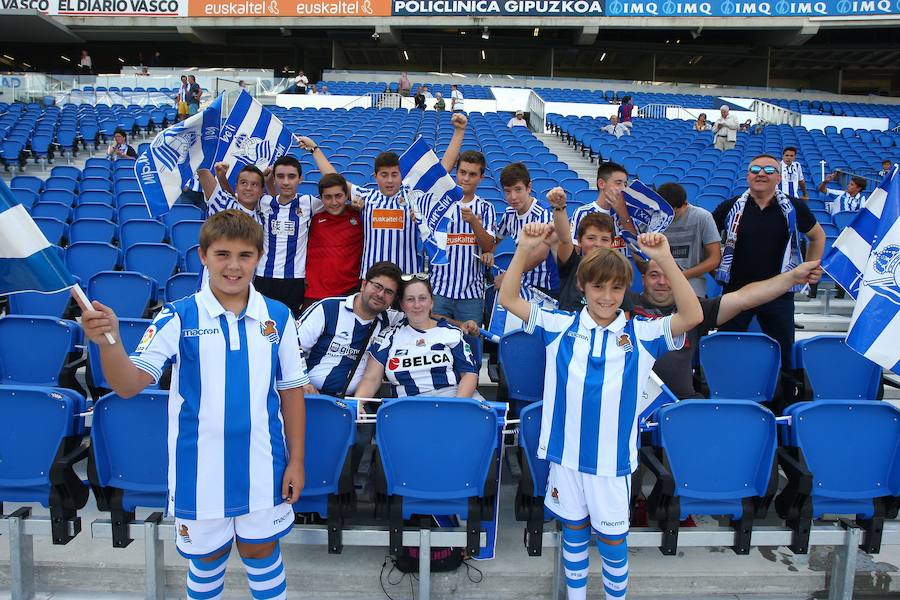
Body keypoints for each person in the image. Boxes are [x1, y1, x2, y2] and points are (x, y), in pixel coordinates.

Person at [81, 210, 308, 600]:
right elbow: (128, 385)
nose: (233, 266)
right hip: (198, 470)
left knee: (262, 551)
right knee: (207, 561)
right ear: (203, 255)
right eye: (222, 254)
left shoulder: (279, 317)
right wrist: (109, 343)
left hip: (264, 464)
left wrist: (297, 461)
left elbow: (291, 391)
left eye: (244, 255)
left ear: (258, 258)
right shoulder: (177, 315)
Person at [500, 224, 702, 600]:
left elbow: (691, 315)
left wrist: (663, 260)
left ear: (625, 290)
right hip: (565, 458)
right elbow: (509, 298)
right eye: (598, 287)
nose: (607, 296)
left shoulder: (642, 332)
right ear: (583, 287)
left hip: (611, 465)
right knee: (573, 537)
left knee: (612, 546)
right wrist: (524, 249)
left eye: (616, 288)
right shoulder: (558, 325)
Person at [632, 257, 823, 399]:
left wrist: (791, 277)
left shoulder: (696, 310)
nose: (662, 282)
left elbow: (744, 298)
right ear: (643, 279)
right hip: (633, 401)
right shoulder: (626, 305)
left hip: (681, 404)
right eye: (654, 275)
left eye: (668, 276)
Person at [712, 153, 826, 373]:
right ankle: (723, 396)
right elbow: (706, 237)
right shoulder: (730, 207)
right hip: (736, 291)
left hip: (779, 294)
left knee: (783, 354)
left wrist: (812, 267)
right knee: (725, 347)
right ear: (747, 177)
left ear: (779, 178)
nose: (761, 174)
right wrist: (715, 267)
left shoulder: (794, 207)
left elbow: (818, 236)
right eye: (755, 170)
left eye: (769, 170)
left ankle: (781, 401)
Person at [347, 114, 468, 276]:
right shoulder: (366, 197)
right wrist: (315, 150)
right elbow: (335, 182)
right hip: (371, 279)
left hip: (406, 279)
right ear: (375, 176)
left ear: (402, 175)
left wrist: (459, 132)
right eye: (384, 175)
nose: (389, 180)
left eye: (394, 174)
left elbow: (443, 169)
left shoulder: (414, 197)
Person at [355, 274, 479, 399]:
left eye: (422, 298)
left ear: (431, 302)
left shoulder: (451, 333)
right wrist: (358, 403)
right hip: (407, 407)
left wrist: (457, 406)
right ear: (402, 305)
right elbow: (371, 378)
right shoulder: (388, 337)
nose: (417, 305)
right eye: (410, 299)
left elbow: (469, 374)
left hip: (453, 400)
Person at [298, 261, 404, 397]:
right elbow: (293, 348)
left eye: (389, 292)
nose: (380, 294)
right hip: (310, 396)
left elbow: (419, 312)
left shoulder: (391, 320)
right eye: (377, 286)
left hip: (350, 403)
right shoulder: (328, 308)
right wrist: (302, 382)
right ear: (364, 284)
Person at [430, 149, 496, 332]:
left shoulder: (485, 208)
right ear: (456, 173)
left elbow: (489, 246)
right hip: (439, 290)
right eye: (462, 172)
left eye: (472, 174)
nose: (466, 178)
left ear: (481, 177)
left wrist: (474, 222)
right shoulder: (439, 204)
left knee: (470, 347)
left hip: (471, 295)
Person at [254, 148, 325, 318]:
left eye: (291, 176)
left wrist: (355, 206)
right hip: (264, 275)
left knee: (289, 323)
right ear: (274, 178)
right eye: (280, 176)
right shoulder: (263, 202)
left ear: (300, 179)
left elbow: (337, 202)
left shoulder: (309, 202)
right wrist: (265, 177)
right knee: (263, 323)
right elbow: (236, 197)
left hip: (294, 279)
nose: (286, 182)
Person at [543, 188, 622, 313]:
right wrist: (559, 208)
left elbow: (624, 317)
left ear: (612, 244)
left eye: (605, 239)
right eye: (591, 238)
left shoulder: (618, 272)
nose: (598, 244)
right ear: (579, 240)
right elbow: (564, 239)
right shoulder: (572, 264)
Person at [494, 163, 558, 293]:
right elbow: (495, 240)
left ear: (529, 187)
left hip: (546, 288)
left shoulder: (544, 214)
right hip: (523, 284)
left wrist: (508, 275)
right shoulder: (509, 213)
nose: (513, 197)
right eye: (508, 191)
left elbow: (540, 254)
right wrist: (488, 252)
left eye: (518, 190)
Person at [303, 173, 363, 309]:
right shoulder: (312, 219)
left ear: (346, 196)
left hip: (349, 293)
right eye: (328, 197)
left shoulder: (360, 216)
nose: (334, 202)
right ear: (321, 198)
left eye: (338, 196)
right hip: (314, 294)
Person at [656, 182, 720, 297]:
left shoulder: (703, 217)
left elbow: (715, 259)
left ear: (685, 204)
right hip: (660, 284)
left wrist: (680, 276)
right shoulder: (654, 217)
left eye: (673, 213)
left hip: (692, 285)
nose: (668, 216)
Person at [569, 161, 638, 251]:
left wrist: (623, 214)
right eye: (618, 183)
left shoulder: (628, 213)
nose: (623, 188)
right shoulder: (583, 212)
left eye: (625, 184)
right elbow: (575, 251)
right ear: (601, 184)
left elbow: (637, 249)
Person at [197, 161, 265, 222]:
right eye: (243, 183)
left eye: (254, 184)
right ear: (236, 187)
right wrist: (219, 172)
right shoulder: (223, 204)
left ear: (262, 191)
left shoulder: (263, 218)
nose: (248, 188)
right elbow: (203, 172)